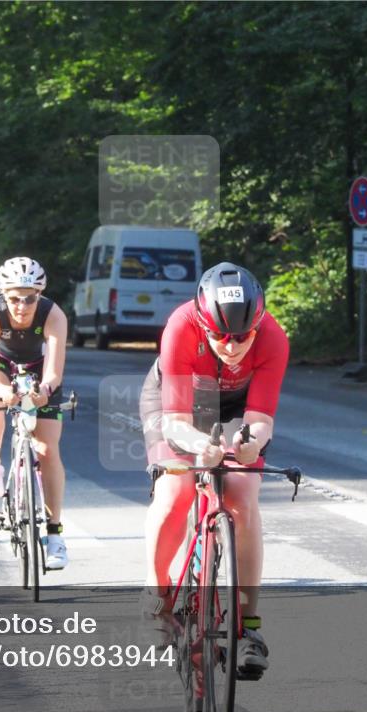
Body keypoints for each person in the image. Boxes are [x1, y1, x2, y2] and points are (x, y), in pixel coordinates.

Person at [139, 262, 289, 679]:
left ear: (258, 324)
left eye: (242, 336)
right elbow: (174, 422)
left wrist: (252, 443)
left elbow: (260, 419)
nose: (230, 344)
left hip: (237, 407)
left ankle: (248, 628)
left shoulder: (274, 338)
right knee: (176, 492)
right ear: (201, 320)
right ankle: (159, 597)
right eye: (220, 334)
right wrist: (198, 446)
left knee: (241, 496)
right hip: (179, 402)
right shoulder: (180, 327)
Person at [0, 257, 70, 570]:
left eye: (30, 298)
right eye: (14, 298)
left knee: (47, 449)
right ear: (4, 296)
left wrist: (44, 391)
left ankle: (54, 534)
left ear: (39, 296)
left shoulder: (53, 314)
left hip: (39, 368)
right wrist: (4, 393)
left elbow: (54, 371)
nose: (22, 305)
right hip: (0, 366)